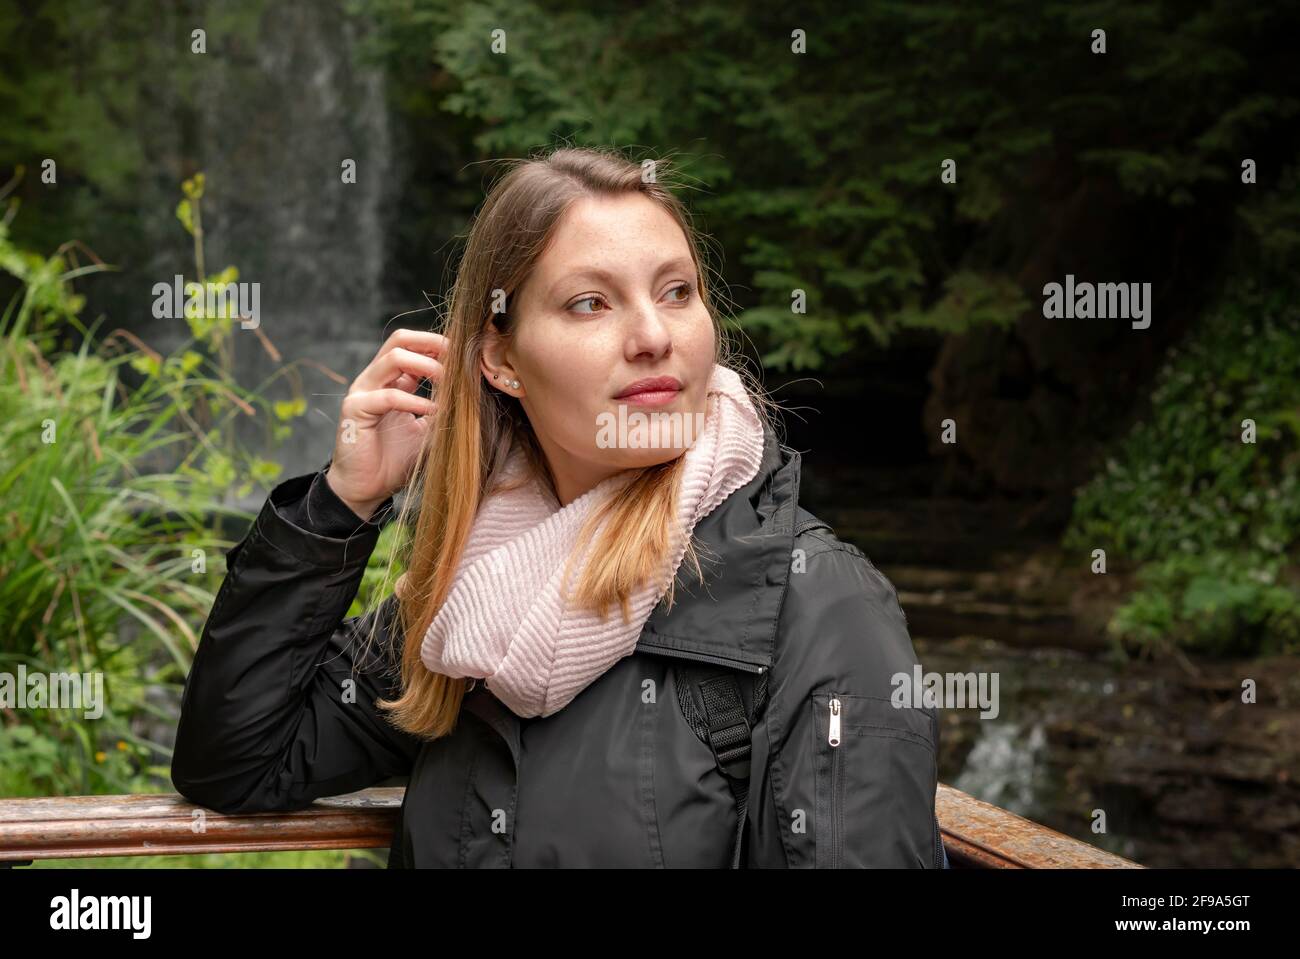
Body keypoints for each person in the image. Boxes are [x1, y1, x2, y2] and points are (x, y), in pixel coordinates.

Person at [171, 146, 944, 868]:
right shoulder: (475, 591)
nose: (652, 335)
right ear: (501, 360)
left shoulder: (817, 602)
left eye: (677, 291)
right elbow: (237, 758)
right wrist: (343, 503)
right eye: (589, 303)